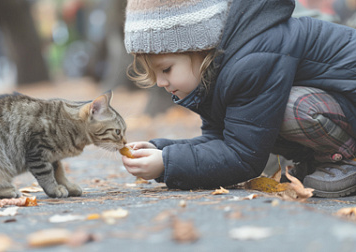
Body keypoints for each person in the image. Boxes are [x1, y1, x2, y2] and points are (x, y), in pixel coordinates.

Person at [121, 0, 356, 197]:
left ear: (200, 49)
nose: (160, 83)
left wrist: (167, 161)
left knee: (288, 107)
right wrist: (161, 151)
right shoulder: (216, 71)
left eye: (166, 70)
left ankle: (344, 161)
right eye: (153, 74)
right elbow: (220, 140)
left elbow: (242, 157)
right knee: (264, 114)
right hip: (341, 105)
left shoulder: (251, 60)